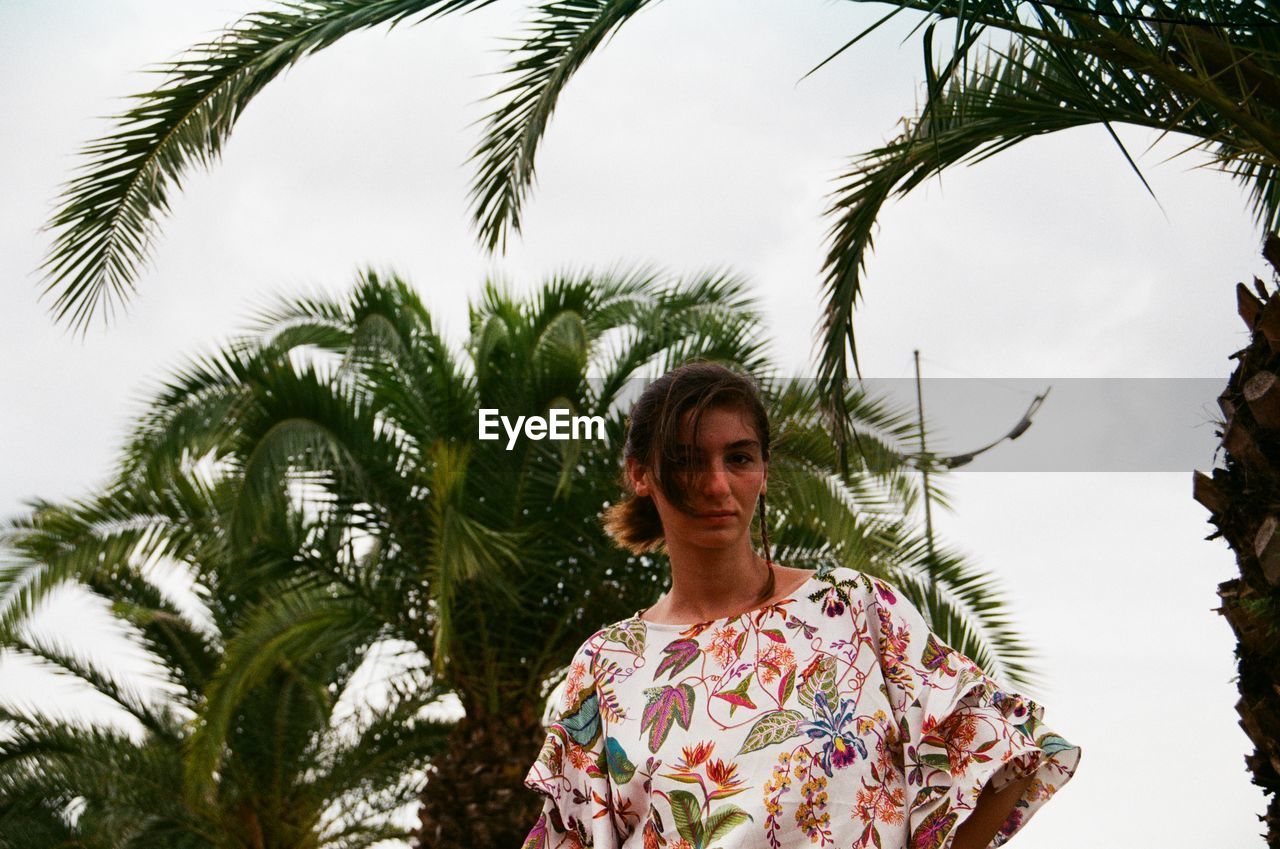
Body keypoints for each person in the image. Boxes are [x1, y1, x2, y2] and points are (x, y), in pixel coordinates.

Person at [521, 362, 1079, 849]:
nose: (718, 485)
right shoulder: (606, 666)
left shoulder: (853, 611)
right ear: (640, 474)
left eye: (739, 458)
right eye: (689, 460)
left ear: (763, 473)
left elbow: (1006, 756)